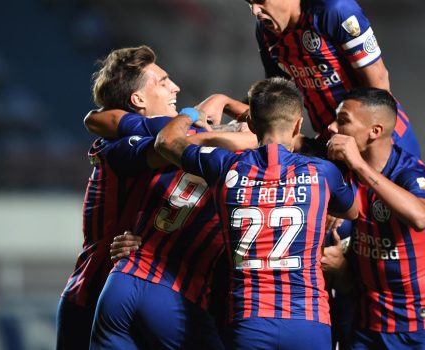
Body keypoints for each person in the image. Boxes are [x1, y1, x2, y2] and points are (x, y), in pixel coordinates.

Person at [154, 77, 359, 349]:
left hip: (249, 319)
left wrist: (194, 112)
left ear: (250, 123)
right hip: (308, 320)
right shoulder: (321, 172)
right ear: (298, 124)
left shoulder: (224, 165)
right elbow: (353, 210)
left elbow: (166, 141)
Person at [56, 45, 182, 350]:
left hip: (140, 288)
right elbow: (194, 137)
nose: (175, 86)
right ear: (137, 99)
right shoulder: (119, 147)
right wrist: (203, 113)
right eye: (163, 81)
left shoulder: (153, 141)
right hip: (96, 293)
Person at [322, 87, 425, 348]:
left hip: (419, 327)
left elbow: (421, 217)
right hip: (367, 326)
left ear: (375, 131)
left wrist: (360, 165)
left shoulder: (409, 172)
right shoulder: (339, 171)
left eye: (343, 120)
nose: (333, 128)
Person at [245, 0, 421, 157]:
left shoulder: (336, 9)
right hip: (330, 142)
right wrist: (228, 105)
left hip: (379, 140)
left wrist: (374, 147)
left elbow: (378, 78)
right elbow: (275, 97)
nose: (254, 10)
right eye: (249, 2)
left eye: (261, 0)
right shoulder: (266, 32)